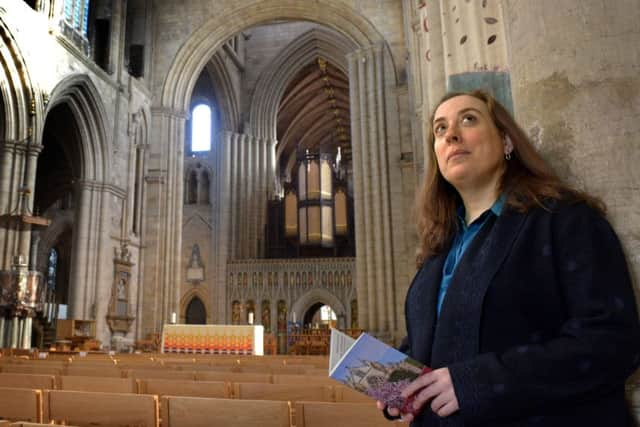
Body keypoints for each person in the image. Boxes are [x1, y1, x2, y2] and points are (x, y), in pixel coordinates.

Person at [378, 90, 640, 426]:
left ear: (506, 141)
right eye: (440, 130)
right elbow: (432, 344)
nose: (451, 134)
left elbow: (612, 342)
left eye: (468, 119)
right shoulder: (438, 251)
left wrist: (480, 382)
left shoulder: (563, 220)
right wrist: (398, 384)